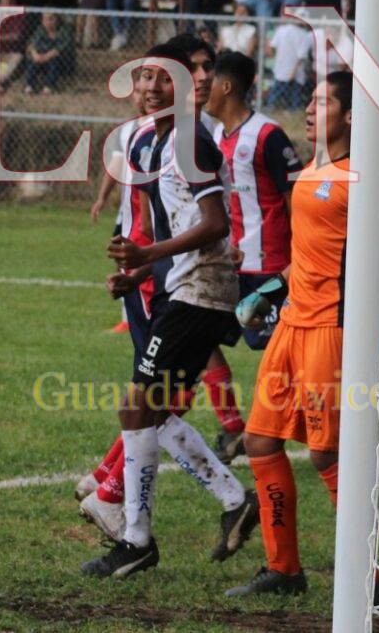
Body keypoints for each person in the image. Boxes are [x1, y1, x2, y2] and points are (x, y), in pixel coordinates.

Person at [82, 39, 259, 579]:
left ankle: (136, 540)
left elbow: (214, 223)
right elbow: (178, 221)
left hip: (200, 291)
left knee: (138, 407)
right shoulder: (154, 141)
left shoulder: (190, 141)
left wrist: (148, 255)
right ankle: (233, 500)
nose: (153, 88)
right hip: (176, 286)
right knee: (152, 411)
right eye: (145, 78)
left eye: (166, 79)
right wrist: (139, 271)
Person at [225, 70, 379, 604]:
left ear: (351, 116)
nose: (308, 109)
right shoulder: (307, 175)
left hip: (333, 328)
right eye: (308, 100)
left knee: (328, 455)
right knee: (259, 439)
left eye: (323, 101)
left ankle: (368, 577)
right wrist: (271, 291)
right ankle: (284, 569)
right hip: (292, 324)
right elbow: (312, 255)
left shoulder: (365, 176)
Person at [205, 51, 302, 357]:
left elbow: (295, 198)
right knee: (200, 336)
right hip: (231, 263)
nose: (201, 88)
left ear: (226, 87)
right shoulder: (216, 134)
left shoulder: (268, 135)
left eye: (208, 81)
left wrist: (300, 254)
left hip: (269, 264)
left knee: (276, 347)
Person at [267, 18, 314, 110]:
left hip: (284, 71)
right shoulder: (304, 35)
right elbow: (301, 56)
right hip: (293, 72)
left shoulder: (282, 30)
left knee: (282, 95)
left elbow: (271, 49)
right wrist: (293, 72)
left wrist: (292, 72)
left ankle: (272, 109)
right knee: (292, 97)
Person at [23, 12, 75, 94]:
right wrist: (35, 55)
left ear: (57, 19)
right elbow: (32, 44)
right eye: (45, 19)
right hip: (42, 59)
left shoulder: (65, 30)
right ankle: (29, 85)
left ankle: (48, 86)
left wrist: (44, 57)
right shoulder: (41, 29)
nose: (47, 22)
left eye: (51, 19)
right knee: (33, 61)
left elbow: (60, 49)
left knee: (54, 60)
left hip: (61, 62)